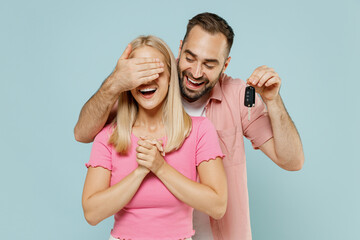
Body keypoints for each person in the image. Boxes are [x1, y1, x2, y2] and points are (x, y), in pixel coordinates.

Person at [75, 13, 304, 240]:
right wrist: (114, 83)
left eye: (209, 64)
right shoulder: (149, 84)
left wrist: (273, 102)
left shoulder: (234, 98)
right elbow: (83, 133)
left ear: (225, 65)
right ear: (180, 49)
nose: (195, 72)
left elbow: (292, 160)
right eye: (190, 58)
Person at [81, 35, 227, 240]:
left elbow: (217, 205)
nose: (147, 80)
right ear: (127, 82)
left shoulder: (199, 131)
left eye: (155, 71)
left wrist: (160, 167)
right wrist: (140, 172)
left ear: (170, 76)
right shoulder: (108, 137)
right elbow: (92, 213)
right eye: (139, 73)